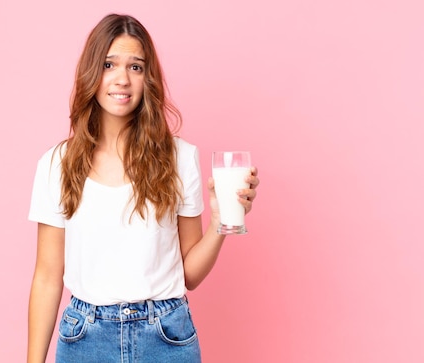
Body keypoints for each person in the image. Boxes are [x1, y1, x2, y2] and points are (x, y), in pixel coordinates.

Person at [27, 13, 259, 363]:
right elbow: (47, 277)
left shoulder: (180, 158)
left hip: (166, 337)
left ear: (148, 78)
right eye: (109, 64)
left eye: (136, 67)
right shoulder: (57, 164)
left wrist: (221, 220)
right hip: (85, 339)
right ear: (92, 73)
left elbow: (190, 275)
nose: (122, 79)